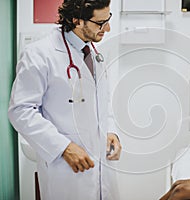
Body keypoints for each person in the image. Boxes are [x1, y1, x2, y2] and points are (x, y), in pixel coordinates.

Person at [8, 0, 121, 199]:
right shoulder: (40, 54)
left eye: (108, 20)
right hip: (66, 169)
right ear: (76, 20)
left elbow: (102, 102)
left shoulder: (93, 52)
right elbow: (21, 111)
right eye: (100, 23)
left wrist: (111, 131)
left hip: (101, 166)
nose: (108, 28)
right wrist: (63, 147)